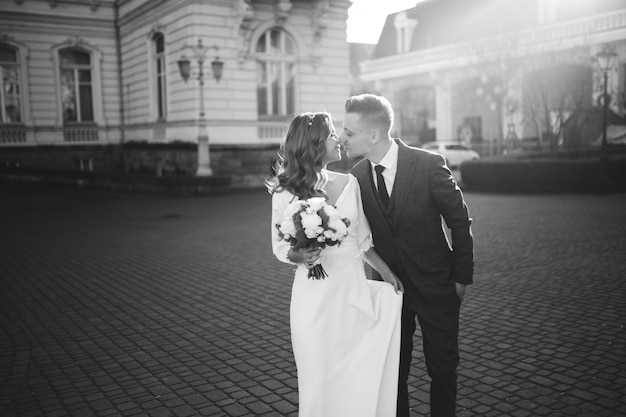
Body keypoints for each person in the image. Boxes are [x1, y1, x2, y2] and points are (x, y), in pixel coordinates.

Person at [340, 94, 474, 417]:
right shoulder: (356, 178)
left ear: (373, 135)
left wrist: (460, 280)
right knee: (392, 374)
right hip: (389, 292)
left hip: (438, 287)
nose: (342, 138)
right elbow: (357, 235)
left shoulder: (428, 165)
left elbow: (459, 220)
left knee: (442, 371)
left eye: (348, 132)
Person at [267, 111, 404, 417]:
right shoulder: (284, 192)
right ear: (314, 144)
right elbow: (279, 246)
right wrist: (299, 255)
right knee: (319, 380)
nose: (339, 139)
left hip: (350, 295)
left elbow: (362, 239)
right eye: (331, 135)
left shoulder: (349, 183)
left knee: (355, 376)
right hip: (313, 302)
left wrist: (385, 271)